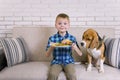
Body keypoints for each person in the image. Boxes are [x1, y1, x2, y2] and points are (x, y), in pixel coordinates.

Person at [45, 13, 82, 80]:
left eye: (65, 23)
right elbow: (47, 55)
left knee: (71, 75)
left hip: (68, 61)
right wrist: (52, 46)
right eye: (59, 23)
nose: (62, 26)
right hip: (56, 62)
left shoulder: (72, 38)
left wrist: (74, 47)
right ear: (55, 25)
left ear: (68, 25)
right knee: (52, 74)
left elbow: (80, 54)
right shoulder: (52, 38)